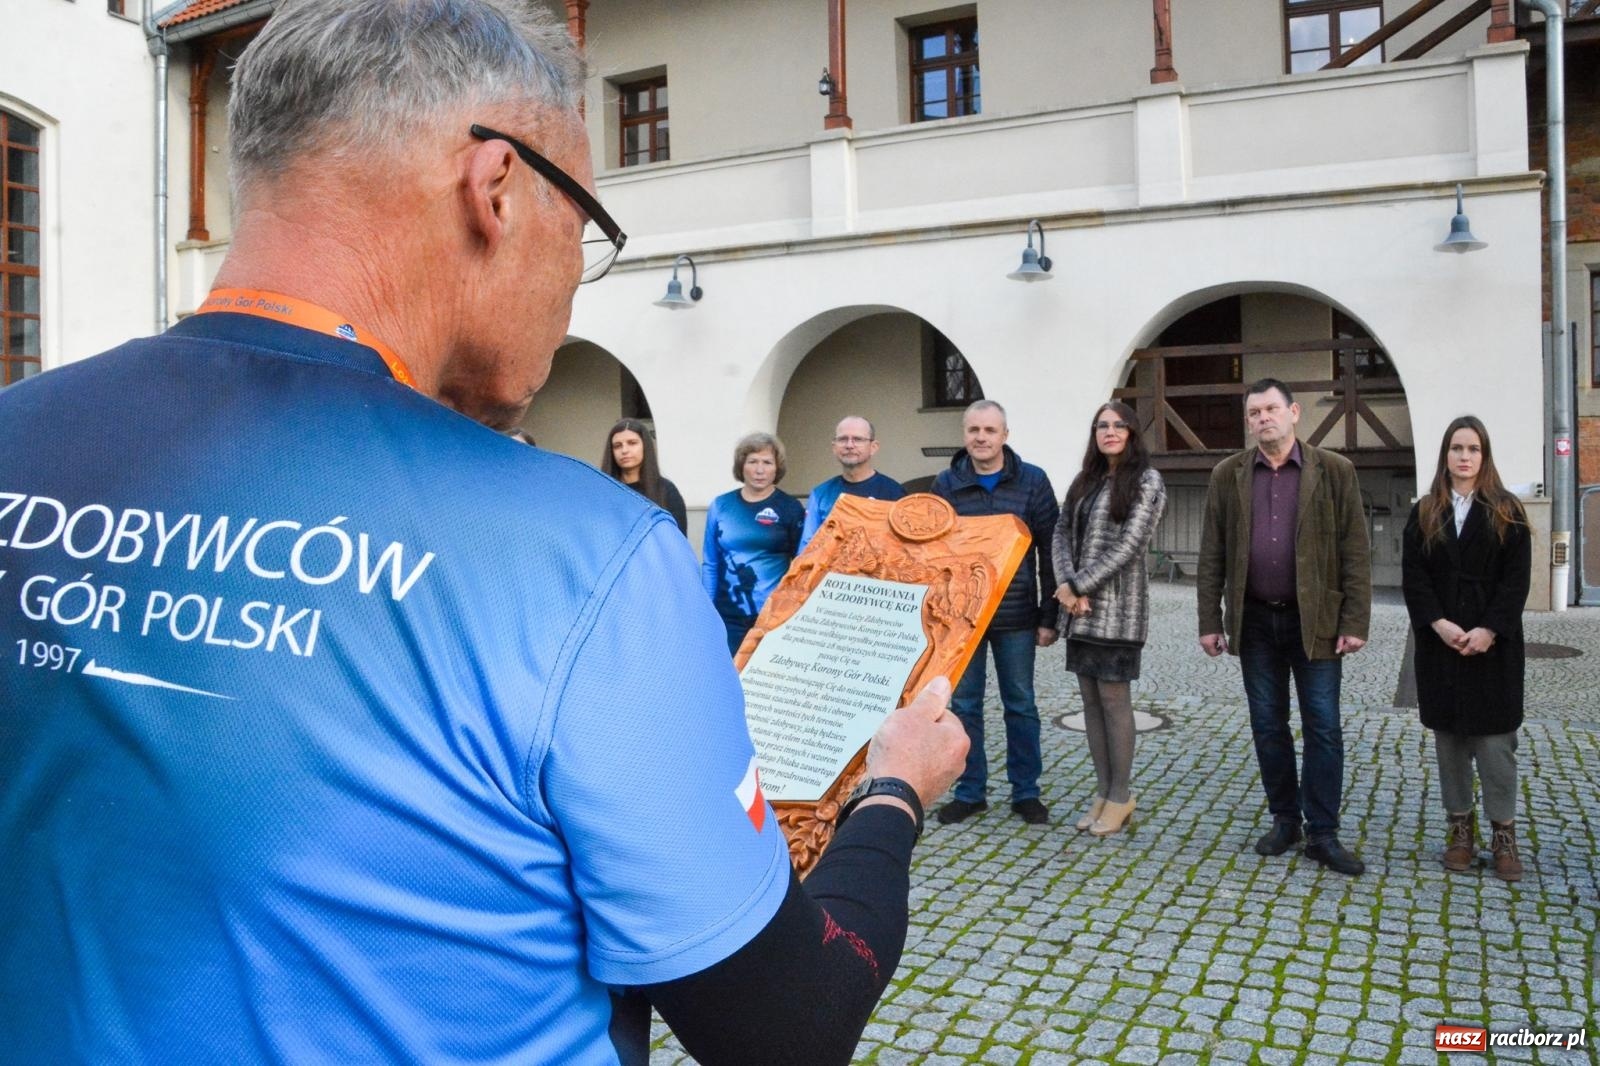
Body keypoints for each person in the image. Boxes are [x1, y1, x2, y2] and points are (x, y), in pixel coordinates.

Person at [0, 4, 971, 1064]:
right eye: (588, 228)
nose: (571, 284)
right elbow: (783, 1025)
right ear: (496, 189)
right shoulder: (584, 553)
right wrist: (891, 791)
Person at [1197, 378, 1372, 876]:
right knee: (1268, 726)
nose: (1263, 419)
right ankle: (1284, 819)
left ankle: (1322, 832)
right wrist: (1211, 619)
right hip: (1254, 621)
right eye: (1254, 413)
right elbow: (1212, 554)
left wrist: (1354, 619)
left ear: (1294, 412)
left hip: (1314, 620)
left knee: (1323, 727)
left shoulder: (1335, 470)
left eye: (1272, 409)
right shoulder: (1228, 474)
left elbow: (1354, 550)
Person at [1401, 415, 1530, 881]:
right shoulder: (1424, 512)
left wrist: (1489, 630)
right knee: (1450, 744)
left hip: (1493, 649)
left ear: (1484, 455)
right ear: (1445, 455)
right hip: (1441, 647)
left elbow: (1516, 583)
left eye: (1473, 449)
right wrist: (1437, 624)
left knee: (1496, 746)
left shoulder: (1506, 510)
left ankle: (1503, 835)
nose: (1464, 456)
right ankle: (1460, 830)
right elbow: (1413, 578)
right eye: (1457, 448)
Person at [931, 400, 1061, 826]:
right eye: (973, 430)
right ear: (964, 435)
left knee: (1020, 704)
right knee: (965, 705)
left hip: (1016, 616)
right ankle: (971, 791)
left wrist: (1049, 616)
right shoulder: (946, 484)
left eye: (990, 430)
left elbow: (1050, 551)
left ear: (1005, 434)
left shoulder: (1033, 482)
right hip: (963, 618)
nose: (981, 438)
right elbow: (934, 556)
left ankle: (1026, 791)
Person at [1052, 401, 1167, 837]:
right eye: (1102, 425)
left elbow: (1129, 546)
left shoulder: (1147, 481)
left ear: (1133, 433)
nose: (1110, 431)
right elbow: (1061, 532)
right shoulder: (1086, 480)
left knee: (1115, 703)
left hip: (1118, 612)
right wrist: (1067, 585)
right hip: (1079, 614)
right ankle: (1102, 792)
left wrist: (1078, 587)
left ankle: (1121, 796)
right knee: (1091, 704)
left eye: (1119, 425)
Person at [701, 432, 805, 656]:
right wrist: (706, 609)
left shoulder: (790, 507)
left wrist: (793, 609)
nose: (760, 470)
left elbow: (801, 565)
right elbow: (710, 563)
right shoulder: (721, 505)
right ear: (742, 466)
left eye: (767, 462)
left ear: (777, 468)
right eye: (753, 462)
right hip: (727, 615)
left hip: (772, 616)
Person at [798, 415, 905, 552]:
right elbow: (807, 548)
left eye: (858, 439)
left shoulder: (894, 493)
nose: (849, 445)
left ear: (873, 447)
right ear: (834, 447)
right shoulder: (820, 494)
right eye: (843, 439)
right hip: (829, 572)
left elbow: (903, 550)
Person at [602, 416, 687, 533]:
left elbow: (678, 541)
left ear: (645, 447)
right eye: (617, 446)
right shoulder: (603, 491)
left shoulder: (666, 490)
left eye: (632, 443)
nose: (624, 450)